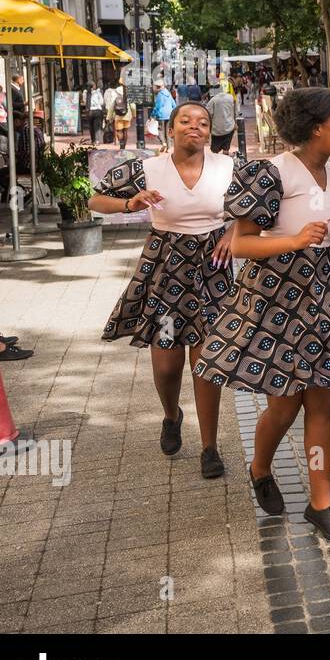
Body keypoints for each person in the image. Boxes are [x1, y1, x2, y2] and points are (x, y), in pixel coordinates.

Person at [193, 88, 330, 542]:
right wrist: (293, 240)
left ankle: (320, 502)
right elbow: (241, 243)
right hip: (271, 298)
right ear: (315, 129)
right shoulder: (271, 174)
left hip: (320, 298)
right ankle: (260, 467)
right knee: (283, 405)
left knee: (323, 400)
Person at [88, 102, 237, 478]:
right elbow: (94, 200)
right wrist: (129, 202)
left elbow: (256, 209)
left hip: (213, 272)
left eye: (202, 123)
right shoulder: (147, 167)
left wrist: (234, 232)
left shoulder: (229, 167)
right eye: (185, 121)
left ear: (209, 132)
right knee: (168, 362)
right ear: (171, 129)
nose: (194, 127)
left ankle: (209, 446)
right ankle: (172, 415)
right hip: (167, 273)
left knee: (206, 361)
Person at [205, 84, 237, 154]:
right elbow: (235, 111)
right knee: (226, 148)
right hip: (229, 127)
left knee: (214, 150)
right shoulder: (230, 97)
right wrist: (235, 123)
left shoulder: (213, 101)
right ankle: (225, 161)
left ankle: (216, 163)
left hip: (217, 130)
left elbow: (207, 114)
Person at [151, 81, 176, 151]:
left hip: (161, 114)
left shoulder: (160, 95)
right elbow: (174, 104)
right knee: (168, 130)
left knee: (160, 130)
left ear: (157, 87)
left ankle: (163, 143)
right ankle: (169, 147)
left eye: (154, 87)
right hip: (170, 114)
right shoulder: (168, 93)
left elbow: (157, 106)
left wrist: (152, 115)